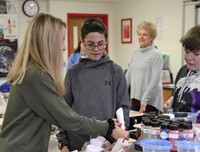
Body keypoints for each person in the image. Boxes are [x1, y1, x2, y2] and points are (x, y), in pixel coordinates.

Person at [0, 13, 129, 152]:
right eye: (61, 40)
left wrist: (111, 136)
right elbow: (65, 116)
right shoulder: (37, 76)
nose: (63, 47)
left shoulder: (33, 72)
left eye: (100, 44)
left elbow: (60, 114)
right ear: (49, 42)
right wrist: (107, 127)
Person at [56, 18, 130, 151]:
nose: (96, 49)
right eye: (90, 44)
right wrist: (63, 143)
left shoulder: (116, 72)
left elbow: (123, 110)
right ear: (82, 42)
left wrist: (113, 141)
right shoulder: (74, 72)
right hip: (76, 143)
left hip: (106, 144)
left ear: (106, 41)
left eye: (100, 44)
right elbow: (63, 110)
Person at [125, 21, 164, 114]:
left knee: (146, 128)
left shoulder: (156, 55)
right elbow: (128, 77)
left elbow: (155, 80)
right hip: (135, 100)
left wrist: (145, 99)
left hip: (149, 102)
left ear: (152, 37)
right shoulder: (135, 53)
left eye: (145, 34)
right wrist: (120, 94)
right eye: (139, 34)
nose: (141, 37)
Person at [164, 26, 200, 122]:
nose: (189, 57)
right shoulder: (183, 70)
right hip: (178, 129)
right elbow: (176, 95)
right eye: (187, 52)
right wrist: (171, 100)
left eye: (196, 54)